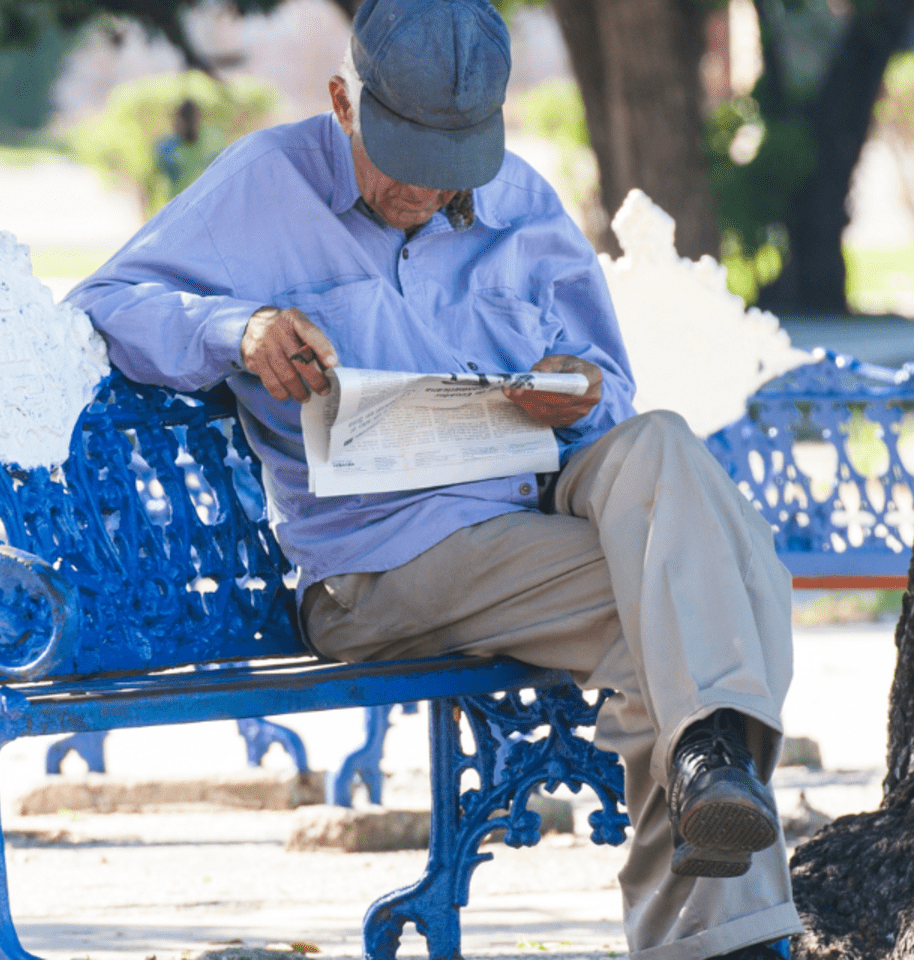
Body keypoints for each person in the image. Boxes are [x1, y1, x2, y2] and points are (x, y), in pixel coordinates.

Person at [67, 2, 800, 958]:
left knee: (659, 443)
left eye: (452, 161)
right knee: (714, 593)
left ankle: (710, 765)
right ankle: (730, 933)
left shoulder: (525, 204)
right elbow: (105, 301)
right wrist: (236, 331)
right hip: (382, 562)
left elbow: (608, 387)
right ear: (342, 102)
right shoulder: (264, 185)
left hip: (533, 498)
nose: (423, 186)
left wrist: (580, 389)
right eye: (402, 154)